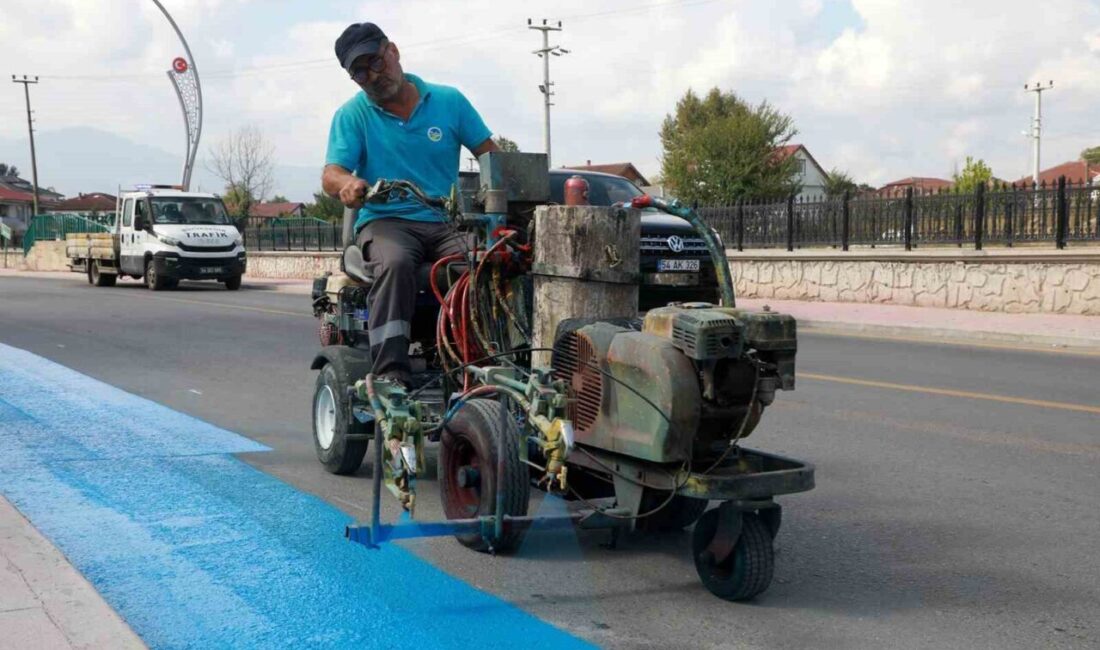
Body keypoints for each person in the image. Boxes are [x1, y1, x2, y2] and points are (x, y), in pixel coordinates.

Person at [321, 22, 498, 386]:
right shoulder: (353, 115)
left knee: (482, 263)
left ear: (393, 52)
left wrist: (504, 199)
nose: (372, 75)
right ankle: (390, 375)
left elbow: (492, 158)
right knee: (396, 263)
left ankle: (474, 363)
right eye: (359, 71)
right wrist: (348, 183)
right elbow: (331, 174)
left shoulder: (449, 102)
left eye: (375, 61)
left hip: (444, 221)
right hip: (386, 222)